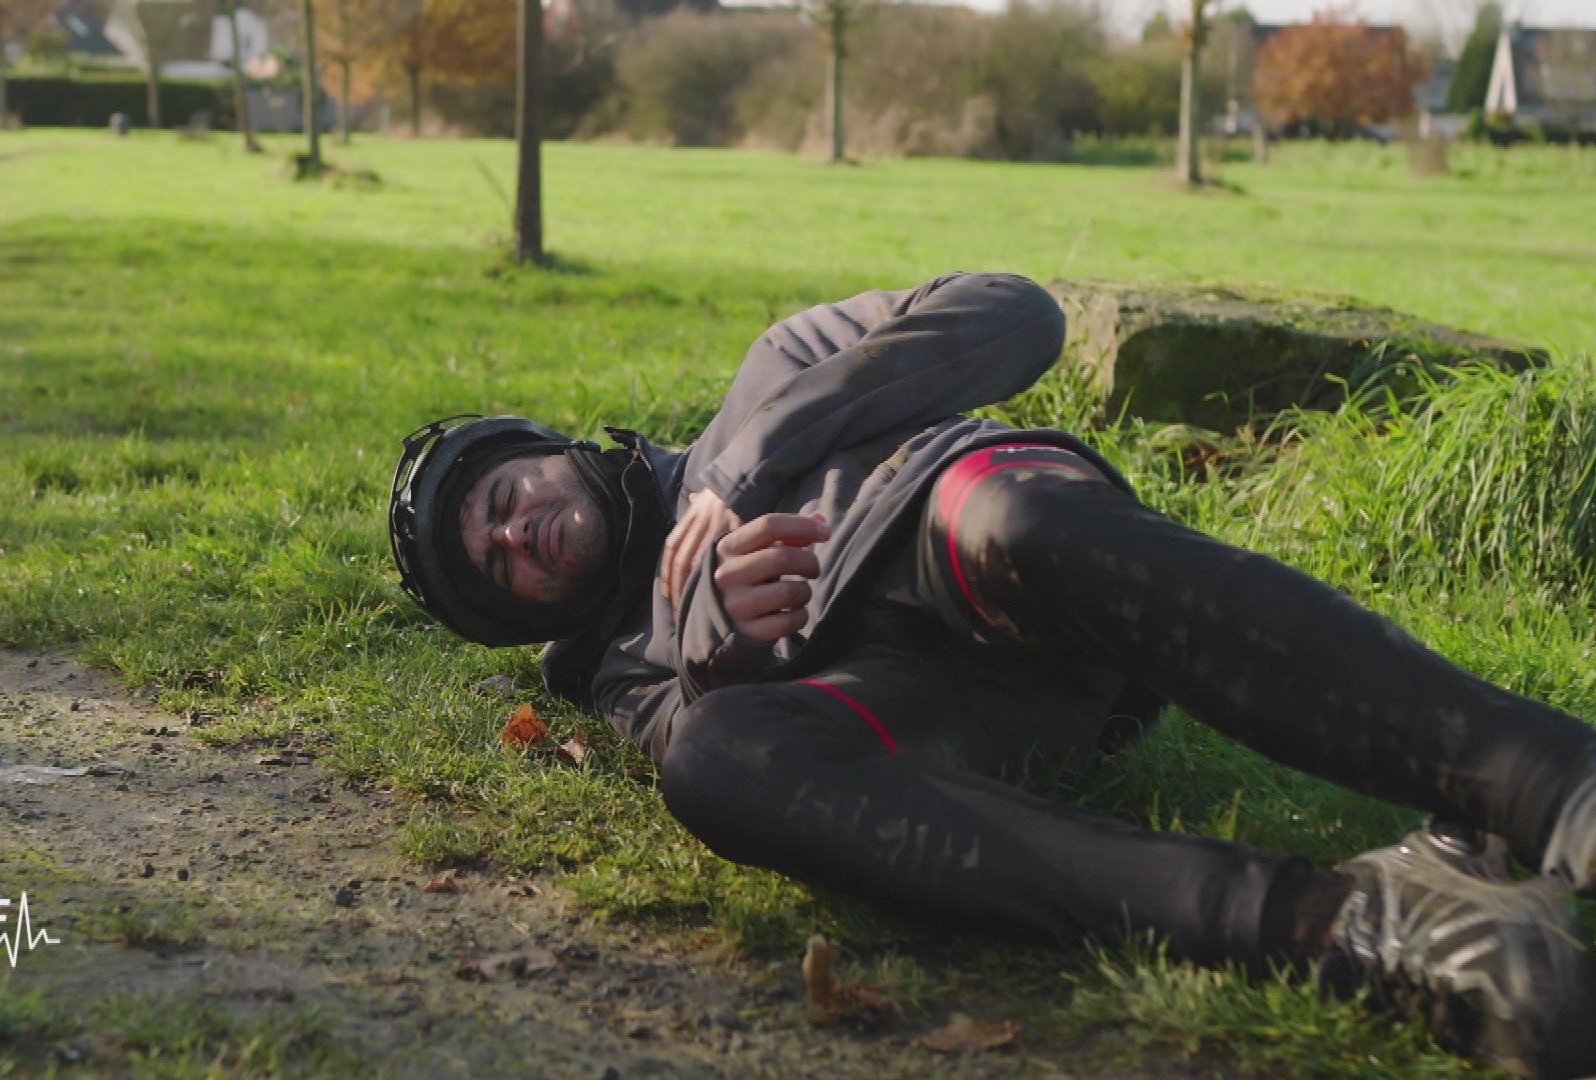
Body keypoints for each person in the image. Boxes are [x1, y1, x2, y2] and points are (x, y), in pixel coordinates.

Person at [386, 270, 1596, 1079]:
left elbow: (1018, 317)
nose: (515, 536)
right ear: (516, 616)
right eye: (493, 568)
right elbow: (700, 741)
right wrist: (726, 656)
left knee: (1003, 517)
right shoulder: (620, 667)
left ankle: (1545, 783)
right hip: (933, 706)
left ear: (548, 451)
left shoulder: (773, 372)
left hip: (986, 540)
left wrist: (747, 470)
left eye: (503, 499)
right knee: (716, 757)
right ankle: (1369, 931)